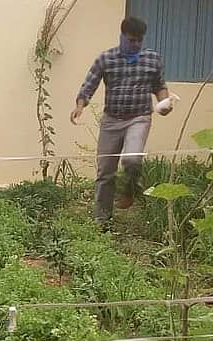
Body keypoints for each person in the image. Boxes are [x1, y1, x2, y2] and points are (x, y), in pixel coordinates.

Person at [71, 16, 172, 226]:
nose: (135, 44)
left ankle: (130, 190)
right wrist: (80, 105)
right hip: (111, 121)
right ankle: (102, 220)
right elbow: (89, 85)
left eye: (139, 40)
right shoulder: (106, 59)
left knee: (132, 159)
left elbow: (159, 86)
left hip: (139, 118)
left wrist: (165, 103)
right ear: (122, 36)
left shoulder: (152, 60)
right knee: (105, 171)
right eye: (131, 40)